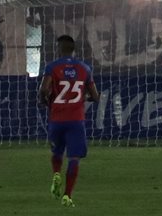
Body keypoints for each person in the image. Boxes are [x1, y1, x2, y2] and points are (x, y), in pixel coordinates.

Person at [39, 34, 99, 207]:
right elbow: (95, 96)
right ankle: (67, 196)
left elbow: (43, 90)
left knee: (57, 152)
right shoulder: (84, 68)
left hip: (57, 119)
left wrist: (46, 102)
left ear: (59, 48)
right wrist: (84, 97)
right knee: (74, 158)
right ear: (73, 49)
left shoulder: (52, 67)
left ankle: (56, 173)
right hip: (76, 120)